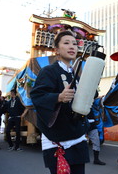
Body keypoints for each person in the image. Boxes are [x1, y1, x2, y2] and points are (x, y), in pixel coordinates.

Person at [30, 30, 90, 174]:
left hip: (77, 136)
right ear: (56, 50)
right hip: (55, 140)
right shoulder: (48, 71)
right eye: (66, 43)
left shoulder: (76, 74)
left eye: (75, 44)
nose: (72, 47)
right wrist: (58, 97)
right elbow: (37, 96)